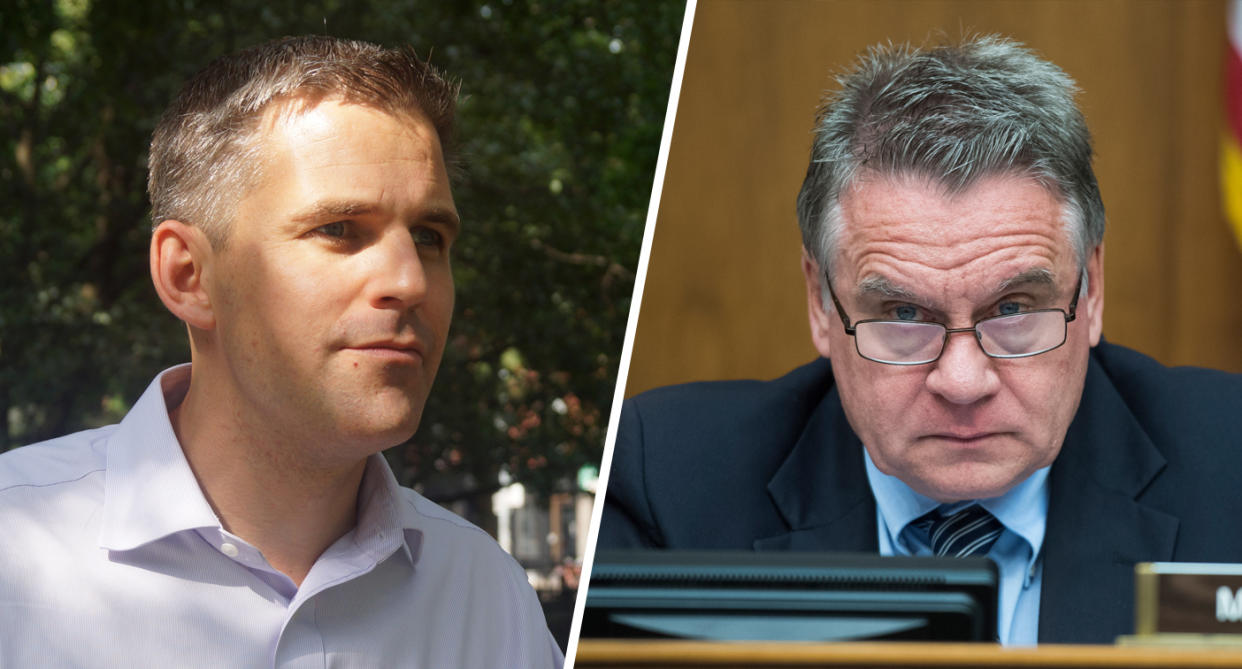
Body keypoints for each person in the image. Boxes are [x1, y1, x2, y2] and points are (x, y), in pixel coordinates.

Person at [598, 35, 1242, 645]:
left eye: (1013, 308)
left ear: (1091, 289)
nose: (963, 381)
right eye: (904, 314)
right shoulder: (669, 486)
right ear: (822, 303)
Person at [0, 36, 563, 667]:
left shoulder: (488, 597)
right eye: (338, 230)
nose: (410, 282)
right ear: (189, 275)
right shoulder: (13, 553)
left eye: (429, 237)